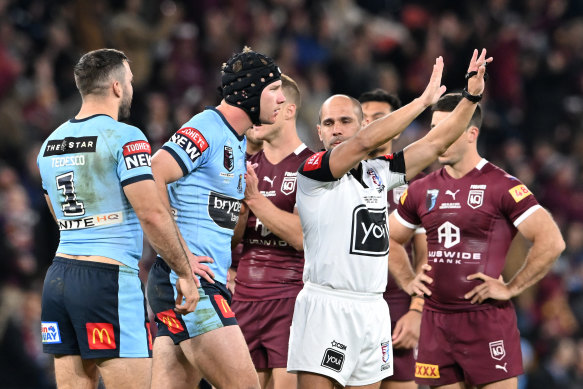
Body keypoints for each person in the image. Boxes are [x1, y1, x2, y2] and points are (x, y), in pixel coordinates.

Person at [287, 48, 492, 389]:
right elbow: (366, 142)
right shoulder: (312, 171)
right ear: (320, 133)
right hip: (326, 305)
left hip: (373, 308)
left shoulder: (380, 173)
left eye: (345, 121)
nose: (336, 129)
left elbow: (436, 141)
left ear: (361, 123)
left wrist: (470, 97)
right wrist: (423, 101)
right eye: (328, 123)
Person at [37, 48, 198, 389]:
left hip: (59, 279)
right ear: (116, 86)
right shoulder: (125, 137)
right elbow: (152, 213)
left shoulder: (49, 144)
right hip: (106, 280)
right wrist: (185, 272)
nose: (132, 87)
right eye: (130, 80)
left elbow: (57, 213)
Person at [388, 92, 565, 389]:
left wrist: (512, 287)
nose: (438, 138)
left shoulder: (501, 185)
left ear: (472, 133)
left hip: (486, 322)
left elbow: (552, 241)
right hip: (435, 323)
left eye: (448, 129)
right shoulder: (421, 189)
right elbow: (389, 238)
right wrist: (407, 280)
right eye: (434, 129)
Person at [146, 47, 285, 389]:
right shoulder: (206, 127)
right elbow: (153, 173)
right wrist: (183, 259)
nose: (281, 99)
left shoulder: (236, 142)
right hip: (190, 283)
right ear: (250, 92)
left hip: (190, 282)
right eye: (274, 89)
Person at [230, 74, 314, 389]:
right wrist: (239, 211)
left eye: (265, 105)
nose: (255, 113)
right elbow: (232, 240)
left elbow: (302, 238)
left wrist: (254, 199)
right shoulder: (244, 165)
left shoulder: (313, 167)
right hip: (243, 296)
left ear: (289, 110)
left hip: (290, 296)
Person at [359, 89, 427, 389]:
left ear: (397, 127)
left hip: (397, 306)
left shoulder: (415, 183)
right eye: (365, 118)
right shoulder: (337, 175)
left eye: (380, 118)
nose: (371, 124)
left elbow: (427, 256)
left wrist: (416, 311)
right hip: (350, 301)